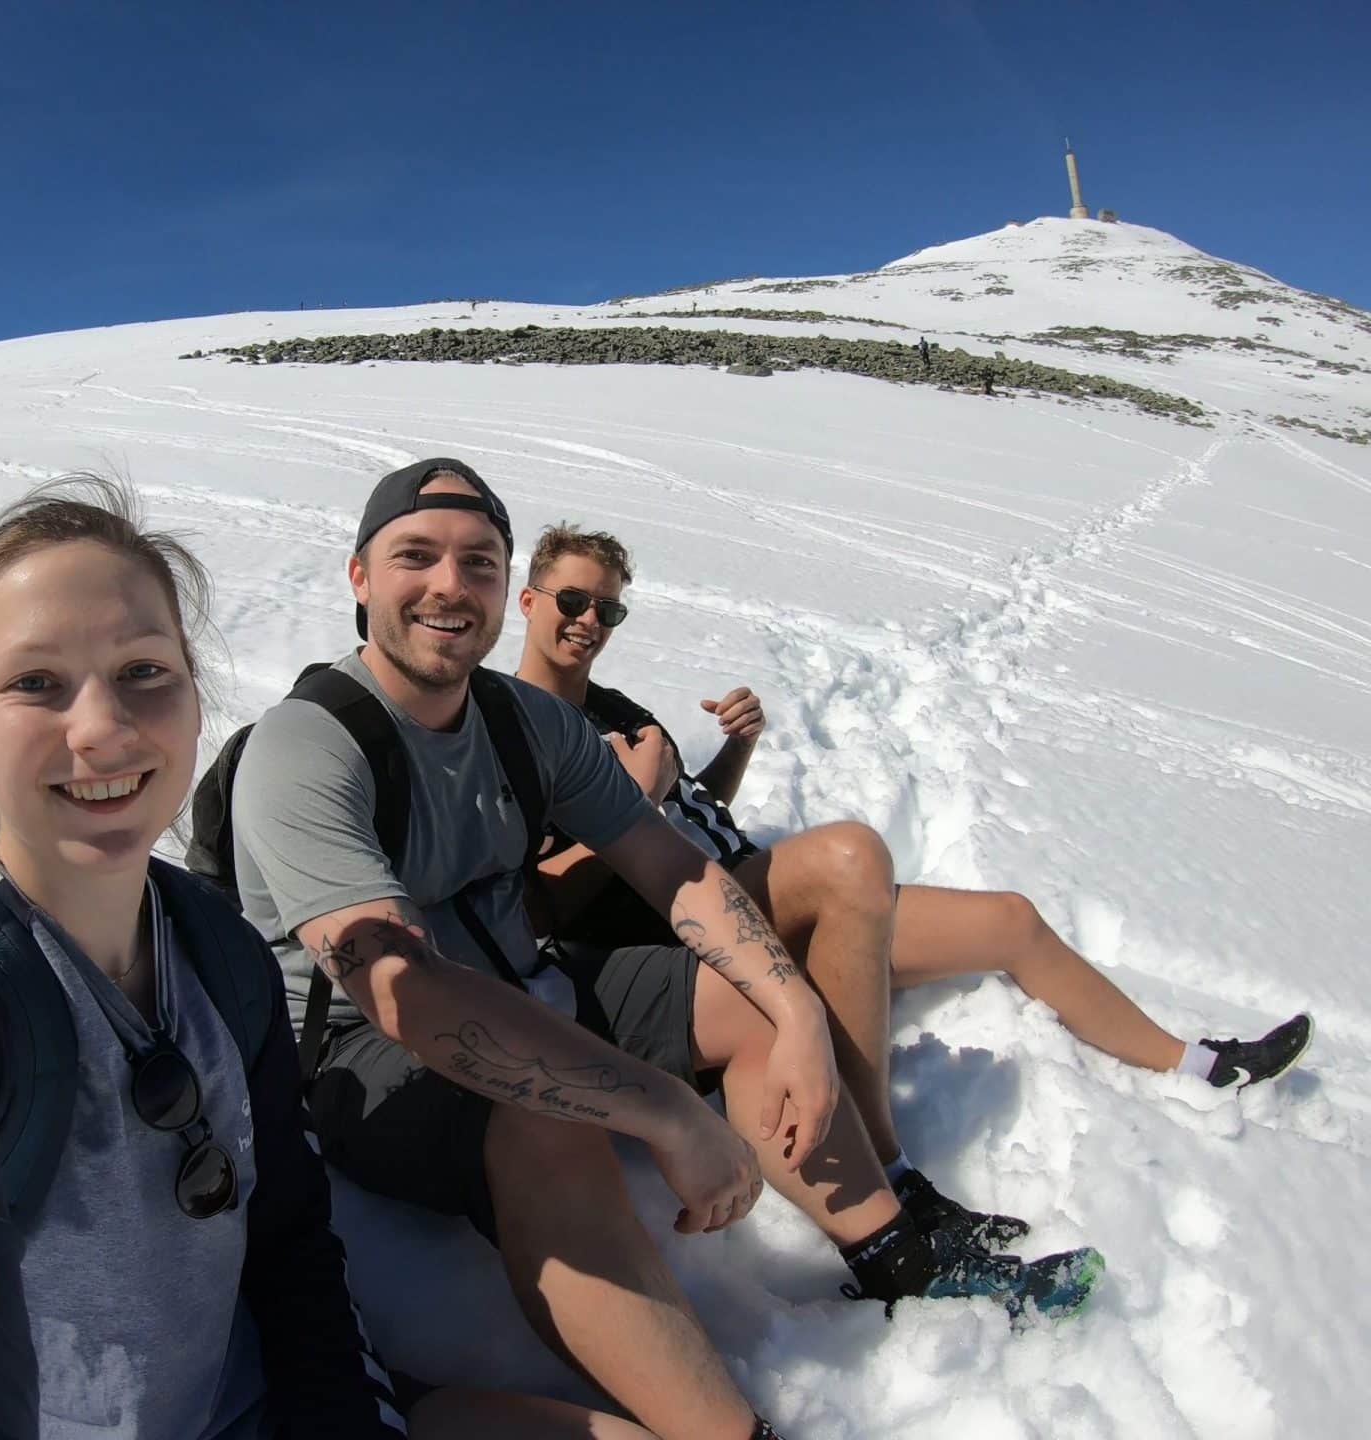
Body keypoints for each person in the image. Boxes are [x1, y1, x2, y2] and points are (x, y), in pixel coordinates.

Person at [0, 478, 646, 1440]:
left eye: (144, 671)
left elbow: (289, 1247)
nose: (103, 727)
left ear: (195, 695)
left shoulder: (217, 948)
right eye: (34, 682)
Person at [229, 460, 1103, 1440]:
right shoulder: (307, 747)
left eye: (477, 561)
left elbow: (672, 867)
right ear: (358, 576)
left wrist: (800, 1012)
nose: (448, 584)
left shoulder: (526, 721)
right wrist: (665, 1110)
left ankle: (901, 1257)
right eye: (414, 556)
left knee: (756, 1003)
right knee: (541, 1120)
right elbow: (404, 993)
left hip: (534, 978)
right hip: (370, 1059)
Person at [510, 520, 1314, 1112]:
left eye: (607, 611)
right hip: (698, 928)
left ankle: (1197, 1064)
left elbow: (696, 813)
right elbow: (538, 902)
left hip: (750, 882)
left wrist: (737, 751)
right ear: (527, 600)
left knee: (1010, 920)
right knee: (848, 856)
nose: (587, 620)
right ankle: (882, 1159)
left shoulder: (617, 707)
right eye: (573, 601)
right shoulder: (510, 728)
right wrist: (636, 801)